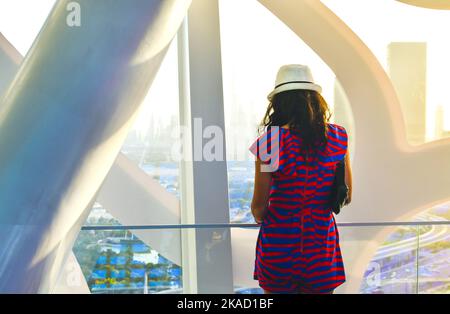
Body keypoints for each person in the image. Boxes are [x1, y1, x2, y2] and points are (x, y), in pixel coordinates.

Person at [249, 64, 353, 294]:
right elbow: (347, 195)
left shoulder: (271, 143)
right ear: (316, 100)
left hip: (278, 246)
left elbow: (258, 207)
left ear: (278, 103)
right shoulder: (338, 138)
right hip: (320, 246)